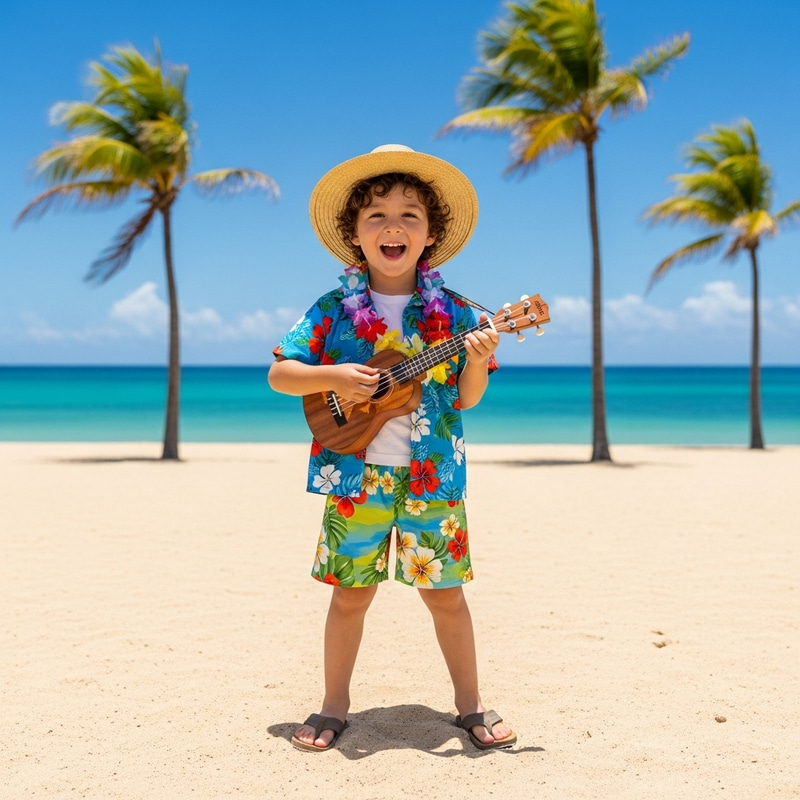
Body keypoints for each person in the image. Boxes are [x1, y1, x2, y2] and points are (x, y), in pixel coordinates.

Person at [268, 144, 516, 752]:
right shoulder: (332, 311)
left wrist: (478, 359)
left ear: (430, 234)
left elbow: (465, 399)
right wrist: (335, 376)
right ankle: (333, 705)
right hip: (358, 475)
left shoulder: (456, 314)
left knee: (447, 598)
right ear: (355, 233)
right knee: (350, 597)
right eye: (376, 214)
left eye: (409, 213)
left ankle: (471, 705)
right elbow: (280, 374)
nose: (392, 225)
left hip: (432, 477)